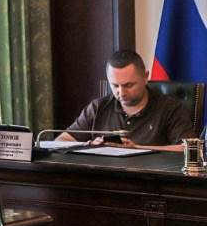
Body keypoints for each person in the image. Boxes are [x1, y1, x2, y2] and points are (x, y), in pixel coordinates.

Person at [56, 50, 193, 151]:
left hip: (150, 178)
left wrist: (136, 148)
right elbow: (61, 141)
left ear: (145, 77)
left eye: (128, 85)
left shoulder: (170, 108)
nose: (121, 92)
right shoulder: (98, 107)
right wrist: (89, 145)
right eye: (115, 86)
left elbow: (187, 149)